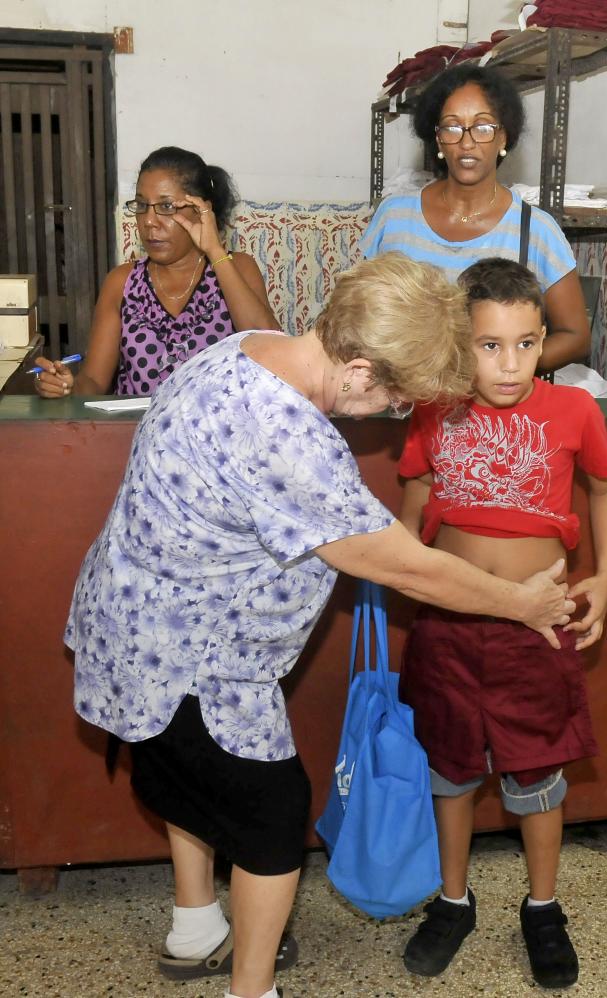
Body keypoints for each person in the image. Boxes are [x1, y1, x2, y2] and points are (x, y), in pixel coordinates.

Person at [65, 253, 575, 998]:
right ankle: (253, 990)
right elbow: (406, 565)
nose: (392, 413)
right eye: (398, 399)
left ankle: (196, 924)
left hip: (126, 619)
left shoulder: (247, 346)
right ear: (363, 371)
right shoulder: (292, 437)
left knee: (186, 781)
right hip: (189, 658)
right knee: (271, 819)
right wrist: (523, 603)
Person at [397, 257, 607, 989]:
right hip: (450, 620)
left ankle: (543, 907)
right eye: (490, 345)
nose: (511, 362)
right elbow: (417, 486)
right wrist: (402, 565)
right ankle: (455, 900)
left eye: (526, 343)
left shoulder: (573, 412)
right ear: (460, 341)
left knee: (538, 772)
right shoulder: (433, 407)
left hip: (537, 623)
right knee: (451, 766)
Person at [360, 63, 591, 372]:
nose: (467, 143)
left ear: (503, 138)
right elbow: (359, 312)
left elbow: (575, 337)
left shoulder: (535, 230)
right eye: (453, 127)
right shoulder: (394, 217)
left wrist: (501, 371)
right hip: (404, 405)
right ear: (439, 140)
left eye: (482, 127)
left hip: (495, 413)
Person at [34, 146, 277, 398]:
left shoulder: (236, 268)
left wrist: (215, 251)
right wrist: (67, 386)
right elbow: (94, 380)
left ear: (202, 211)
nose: (149, 221)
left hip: (216, 434)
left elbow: (270, 349)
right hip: (134, 432)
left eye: (167, 206)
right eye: (142, 205)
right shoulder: (122, 282)